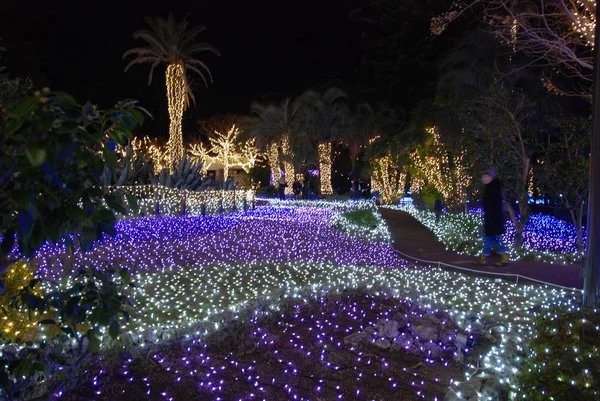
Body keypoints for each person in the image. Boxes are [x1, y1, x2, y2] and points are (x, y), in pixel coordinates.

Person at [476, 169, 509, 266]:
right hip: (492, 218)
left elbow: (493, 204)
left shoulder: (492, 188)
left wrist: (490, 216)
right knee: (490, 238)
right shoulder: (491, 187)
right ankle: (485, 257)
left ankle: (501, 257)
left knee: (493, 238)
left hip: (493, 218)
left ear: (490, 177)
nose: (483, 178)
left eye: (485, 176)